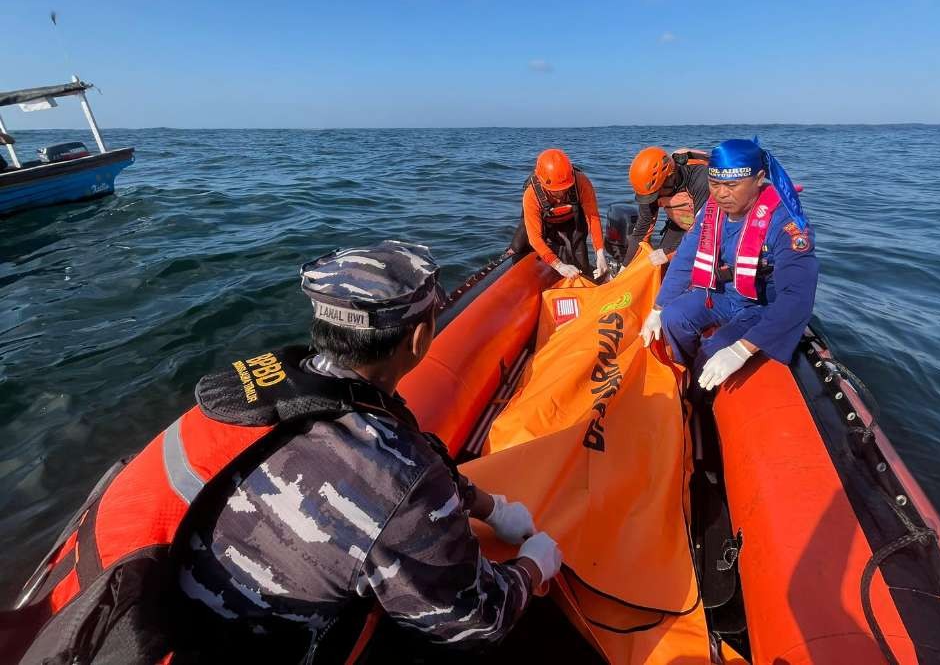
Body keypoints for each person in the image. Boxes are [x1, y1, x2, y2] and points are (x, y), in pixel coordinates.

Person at [7, 241, 562, 665]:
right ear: (419, 341)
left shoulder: (261, 391)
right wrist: (536, 563)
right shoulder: (399, 480)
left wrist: (488, 507)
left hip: (106, 607)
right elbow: (472, 620)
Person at [640, 140, 819, 391]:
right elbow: (685, 257)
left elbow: (797, 296)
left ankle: (702, 395)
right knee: (673, 318)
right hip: (723, 293)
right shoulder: (711, 212)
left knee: (715, 349)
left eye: (731, 185)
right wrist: (658, 309)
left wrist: (742, 349)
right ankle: (685, 373)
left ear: (758, 179)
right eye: (714, 184)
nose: (721, 193)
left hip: (762, 304)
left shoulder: (787, 225)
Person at [509, 148, 609, 280]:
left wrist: (600, 253)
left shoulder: (582, 182)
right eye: (555, 191)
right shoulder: (531, 194)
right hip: (544, 222)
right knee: (518, 246)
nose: (561, 195)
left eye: (565, 189)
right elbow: (535, 238)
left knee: (582, 265)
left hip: (572, 221)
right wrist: (559, 266)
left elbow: (593, 219)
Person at [625, 146, 710, 263]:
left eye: (656, 194)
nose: (654, 199)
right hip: (680, 224)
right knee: (659, 266)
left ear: (670, 178)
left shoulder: (700, 179)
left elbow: (702, 228)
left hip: (708, 227)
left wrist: (668, 253)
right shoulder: (650, 187)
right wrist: (624, 268)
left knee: (683, 261)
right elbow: (641, 232)